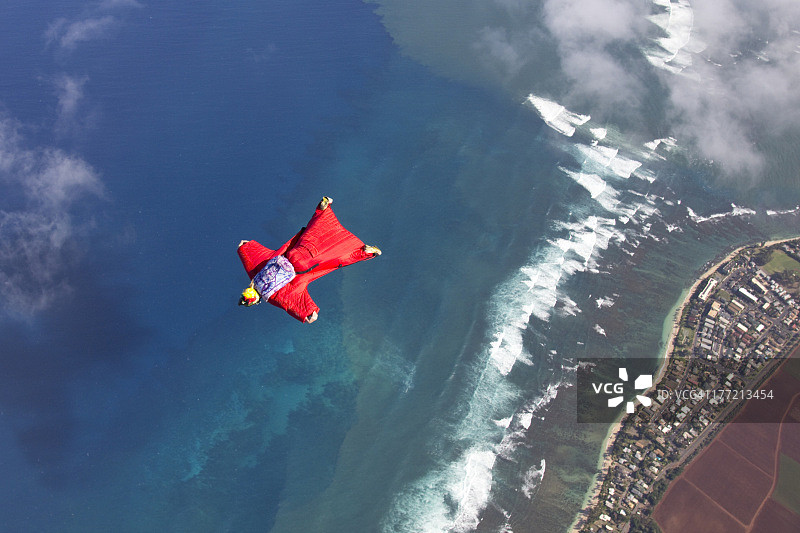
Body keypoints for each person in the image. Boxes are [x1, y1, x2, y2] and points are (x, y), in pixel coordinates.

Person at [237, 196, 380, 323]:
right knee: (311, 235)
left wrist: (308, 315)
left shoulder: (274, 297)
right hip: (294, 254)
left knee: (334, 260)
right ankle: (322, 210)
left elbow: (291, 303)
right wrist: (243, 247)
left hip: (304, 267)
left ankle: (364, 252)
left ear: (256, 300)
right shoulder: (254, 272)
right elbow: (245, 248)